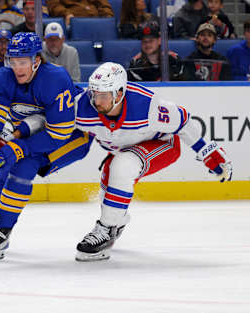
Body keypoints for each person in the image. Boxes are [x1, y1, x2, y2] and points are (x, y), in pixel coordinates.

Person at [71, 62, 232, 261]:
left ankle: (106, 229)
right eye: (94, 94)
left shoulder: (147, 106)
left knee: (122, 166)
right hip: (122, 151)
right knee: (109, 185)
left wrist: (208, 152)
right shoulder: (82, 107)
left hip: (162, 144)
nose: (96, 101)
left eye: (103, 95)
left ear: (120, 94)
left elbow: (183, 120)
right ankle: (115, 223)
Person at [0, 32, 88, 260]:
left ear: (36, 60)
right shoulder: (2, 78)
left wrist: (19, 147)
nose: (17, 68)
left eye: (23, 62)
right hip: (31, 132)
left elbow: (59, 132)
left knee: (22, 167)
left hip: (71, 137)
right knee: (1, 168)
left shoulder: (55, 78)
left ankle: (1, 234)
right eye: (12, 62)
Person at [47, 0, 114, 27]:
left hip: (97, 21)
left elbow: (104, 5)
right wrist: (66, 14)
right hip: (75, 22)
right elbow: (54, 6)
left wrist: (108, 16)